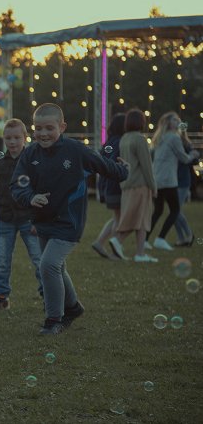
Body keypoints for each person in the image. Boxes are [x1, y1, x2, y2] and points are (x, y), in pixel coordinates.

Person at [11, 103, 128, 335]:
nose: (43, 133)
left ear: (62, 127)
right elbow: (17, 184)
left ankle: (54, 319)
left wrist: (123, 170)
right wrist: (30, 197)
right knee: (57, 266)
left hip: (69, 222)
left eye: (49, 128)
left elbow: (104, 166)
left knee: (48, 265)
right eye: (38, 128)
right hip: (43, 221)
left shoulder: (76, 150)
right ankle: (73, 307)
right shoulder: (30, 153)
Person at [0, 119, 42, 309]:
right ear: (3, 139)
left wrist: (38, 220)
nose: (12, 142)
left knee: (39, 260)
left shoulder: (32, 161)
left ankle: (48, 295)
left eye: (16, 138)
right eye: (8, 138)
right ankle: (2, 296)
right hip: (5, 219)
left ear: (25, 138)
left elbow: (42, 191)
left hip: (29, 220)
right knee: (2, 260)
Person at [108, 109, 158, 262]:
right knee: (140, 218)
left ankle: (139, 252)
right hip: (140, 184)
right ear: (141, 122)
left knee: (137, 218)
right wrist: (153, 186)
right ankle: (124, 243)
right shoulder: (140, 139)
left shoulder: (124, 138)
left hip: (126, 184)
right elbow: (147, 166)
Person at [145, 112, 199, 251]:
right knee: (175, 210)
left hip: (157, 179)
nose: (178, 122)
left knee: (158, 211)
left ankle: (145, 239)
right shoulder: (174, 138)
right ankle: (161, 238)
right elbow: (184, 158)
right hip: (169, 180)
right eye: (175, 120)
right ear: (168, 123)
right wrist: (193, 155)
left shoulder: (159, 138)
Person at [91, 113, 125, 259]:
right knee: (121, 219)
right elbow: (112, 165)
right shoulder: (120, 142)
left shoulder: (109, 142)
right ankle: (115, 250)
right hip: (115, 186)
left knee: (117, 216)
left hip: (106, 186)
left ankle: (100, 242)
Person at [174, 126, 197, 246]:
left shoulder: (186, 145)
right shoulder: (174, 142)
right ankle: (182, 238)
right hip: (174, 179)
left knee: (175, 211)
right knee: (174, 211)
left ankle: (188, 235)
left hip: (182, 180)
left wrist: (193, 156)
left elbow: (191, 160)